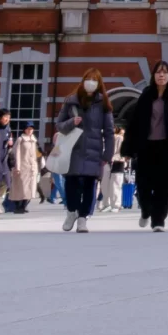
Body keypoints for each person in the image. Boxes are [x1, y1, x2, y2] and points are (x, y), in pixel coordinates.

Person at [121, 64, 168, 230]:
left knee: (165, 186)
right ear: (153, 75)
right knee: (143, 184)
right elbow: (134, 123)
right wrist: (127, 149)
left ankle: (158, 220)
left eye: (165, 72)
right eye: (158, 72)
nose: (161, 75)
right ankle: (146, 211)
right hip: (146, 147)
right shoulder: (146, 95)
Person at [55, 74, 115, 233]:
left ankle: (83, 218)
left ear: (98, 84)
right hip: (73, 148)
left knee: (90, 184)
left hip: (93, 149)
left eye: (94, 80)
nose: (91, 83)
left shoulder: (103, 104)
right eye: (89, 79)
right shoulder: (71, 101)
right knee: (71, 182)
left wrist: (107, 155)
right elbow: (59, 125)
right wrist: (71, 122)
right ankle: (71, 212)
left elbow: (109, 132)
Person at [7, 127, 43, 214]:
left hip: (32, 168)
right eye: (28, 129)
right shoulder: (20, 139)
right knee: (20, 188)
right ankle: (17, 207)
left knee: (30, 189)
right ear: (24, 130)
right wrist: (17, 167)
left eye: (31, 129)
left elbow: (38, 154)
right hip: (22, 167)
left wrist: (38, 166)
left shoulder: (34, 140)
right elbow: (17, 153)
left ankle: (23, 206)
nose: (30, 131)